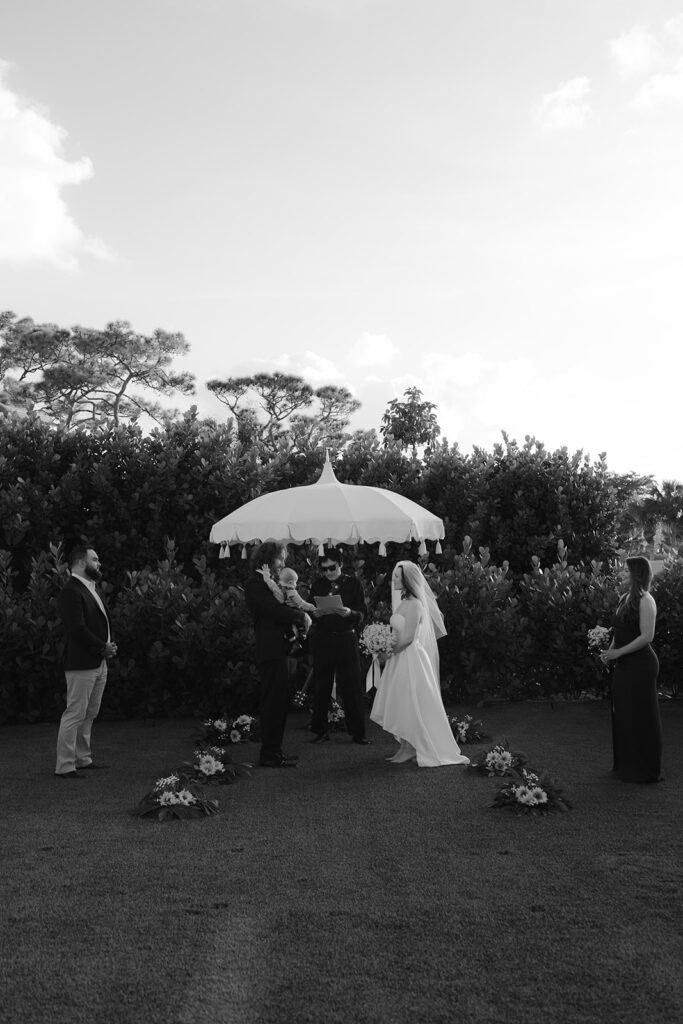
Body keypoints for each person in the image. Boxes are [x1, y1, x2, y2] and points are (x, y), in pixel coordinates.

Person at [371, 560, 470, 768]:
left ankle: (411, 748)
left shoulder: (415, 604)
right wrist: (381, 644)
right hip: (399, 658)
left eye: (397, 576)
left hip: (410, 659)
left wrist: (387, 652)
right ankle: (405, 746)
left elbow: (408, 638)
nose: (393, 579)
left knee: (411, 701)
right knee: (401, 701)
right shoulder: (403, 603)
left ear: (407, 580)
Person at [244, 542, 312, 768]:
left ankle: (275, 750)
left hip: (279, 649)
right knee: (273, 701)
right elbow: (273, 611)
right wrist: (299, 616)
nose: (283, 563)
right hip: (270, 650)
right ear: (268, 558)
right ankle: (269, 754)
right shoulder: (255, 583)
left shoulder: (269, 583)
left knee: (279, 701)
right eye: (280, 559)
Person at [55, 545, 117, 779]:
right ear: (81, 563)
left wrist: (109, 646)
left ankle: (82, 758)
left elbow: (98, 623)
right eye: (95, 559)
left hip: (99, 661)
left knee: (89, 713)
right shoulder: (71, 591)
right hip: (82, 663)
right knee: (75, 713)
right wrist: (102, 646)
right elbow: (76, 628)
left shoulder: (89, 588)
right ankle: (64, 765)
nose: (99, 564)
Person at [601, 555, 662, 783]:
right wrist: (609, 652)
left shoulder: (646, 600)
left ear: (636, 574)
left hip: (642, 665)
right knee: (624, 712)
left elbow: (647, 636)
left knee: (642, 715)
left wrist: (618, 653)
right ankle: (627, 766)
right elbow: (619, 631)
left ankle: (645, 769)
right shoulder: (625, 598)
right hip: (625, 663)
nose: (621, 573)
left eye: (625, 571)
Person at [308, 547, 369, 745]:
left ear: (341, 565)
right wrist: (313, 614)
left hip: (346, 638)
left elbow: (362, 613)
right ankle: (320, 731)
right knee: (321, 687)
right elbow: (310, 609)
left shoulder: (353, 584)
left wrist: (349, 613)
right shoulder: (317, 585)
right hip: (324, 639)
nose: (328, 572)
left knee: (351, 686)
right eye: (324, 569)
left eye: (332, 568)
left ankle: (358, 732)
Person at [278, 567, 316, 655]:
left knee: (287, 627)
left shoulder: (279, 589)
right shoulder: (292, 592)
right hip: (293, 611)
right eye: (296, 581)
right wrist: (312, 607)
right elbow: (301, 604)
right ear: (291, 583)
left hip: (284, 612)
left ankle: (293, 642)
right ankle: (302, 636)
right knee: (303, 622)